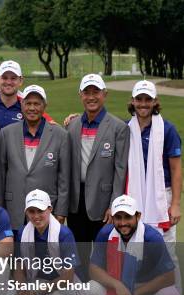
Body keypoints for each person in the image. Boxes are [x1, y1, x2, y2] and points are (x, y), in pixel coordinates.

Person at [125, 80, 184, 295]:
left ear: (155, 102)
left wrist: (176, 204)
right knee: (136, 255)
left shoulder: (167, 129)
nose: (143, 104)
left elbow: (176, 169)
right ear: (132, 101)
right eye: (139, 100)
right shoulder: (124, 128)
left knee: (169, 255)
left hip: (162, 196)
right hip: (134, 199)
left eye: (147, 100)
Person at [86, 195, 180, 295]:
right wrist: (118, 285)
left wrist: (135, 293)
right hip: (117, 290)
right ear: (113, 218)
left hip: (147, 290)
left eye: (128, 217)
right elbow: (93, 269)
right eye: (118, 217)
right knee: (89, 289)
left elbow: (169, 277)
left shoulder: (152, 238)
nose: (123, 223)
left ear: (138, 216)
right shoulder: (106, 233)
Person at [66, 74, 130, 281]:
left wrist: (115, 204)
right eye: (87, 92)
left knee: (103, 257)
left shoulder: (118, 127)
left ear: (105, 95)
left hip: (103, 204)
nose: (91, 97)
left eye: (96, 92)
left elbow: (120, 169)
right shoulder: (72, 125)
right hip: (76, 201)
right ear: (80, 95)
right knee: (79, 255)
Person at [5, 189, 85, 295]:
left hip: (67, 286)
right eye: (31, 211)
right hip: (38, 284)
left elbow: (68, 277)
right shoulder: (23, 233)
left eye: (40, 211)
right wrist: (22, 290)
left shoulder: (64, 233)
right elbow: (19, 266)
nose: (36, 216)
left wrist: (33, 292)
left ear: (50, 209)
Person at [0, 85, 70, 232]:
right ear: (21, 104)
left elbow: (64, 177)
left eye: (37, 104)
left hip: (45, 210)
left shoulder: (60, 135)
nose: (32, 108)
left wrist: (61, 210)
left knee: (42, 254)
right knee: (15, 253)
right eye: (28, 103)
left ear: (44, 106)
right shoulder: (6, 133)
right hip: (14, 209)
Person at [0, 60, 53, 128]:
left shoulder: (27, 109)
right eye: (4, 78)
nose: (8, 82)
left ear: (21, 81)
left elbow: (50, 127)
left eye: (13, 78)